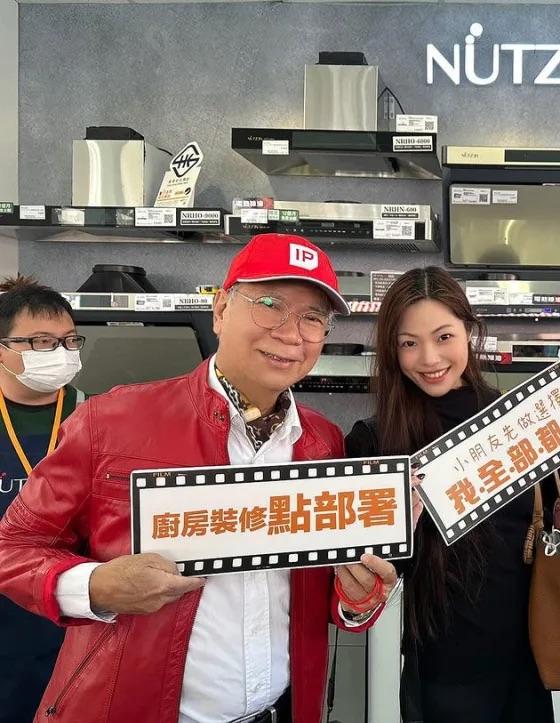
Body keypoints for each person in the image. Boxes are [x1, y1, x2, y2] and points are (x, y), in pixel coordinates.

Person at [0, 233, 398, 723]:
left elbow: (312, 593)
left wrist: (356, 600)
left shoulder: (323, 442)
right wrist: (95, 586)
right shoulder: (111, 420)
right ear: (221, 310)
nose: (291, 334)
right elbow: (13, 547)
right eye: (270, 305)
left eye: (312, 318)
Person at [344, 266, 560, 723]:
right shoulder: (375, 441)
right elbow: (372, 572)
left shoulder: (521, 421)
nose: (429, 358)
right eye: (408, 343)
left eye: (443, 336)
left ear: (469, 331)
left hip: (530, 652)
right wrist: (367, 577)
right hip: (441, 666)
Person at [0, 276, 85, 722]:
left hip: (71, 609)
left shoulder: (95, 416)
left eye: (69, 341)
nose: (60, 353)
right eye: (41, 342)